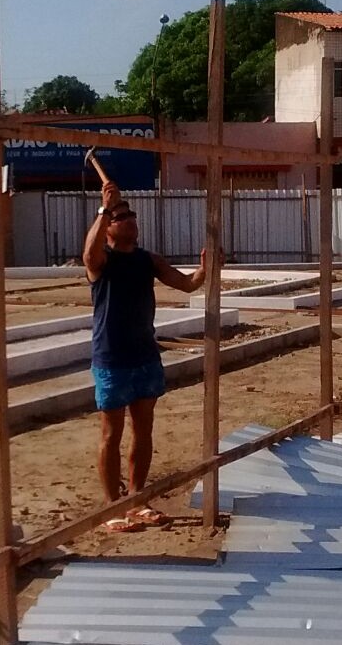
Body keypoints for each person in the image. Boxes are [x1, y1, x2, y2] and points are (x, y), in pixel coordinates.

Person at [83, 180, 219, 533]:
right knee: (111, 433)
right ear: (108, 227)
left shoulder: (147, 260)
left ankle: (137, 499)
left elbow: (186, 284)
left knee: (143, 431)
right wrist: (104, 208)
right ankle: (112, 506)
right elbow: (88, 255)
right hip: (112, 358)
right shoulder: (102, 262)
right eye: (121, 217)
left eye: (131, 216)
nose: (130, 220)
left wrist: (204, 272)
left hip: (145, 356)